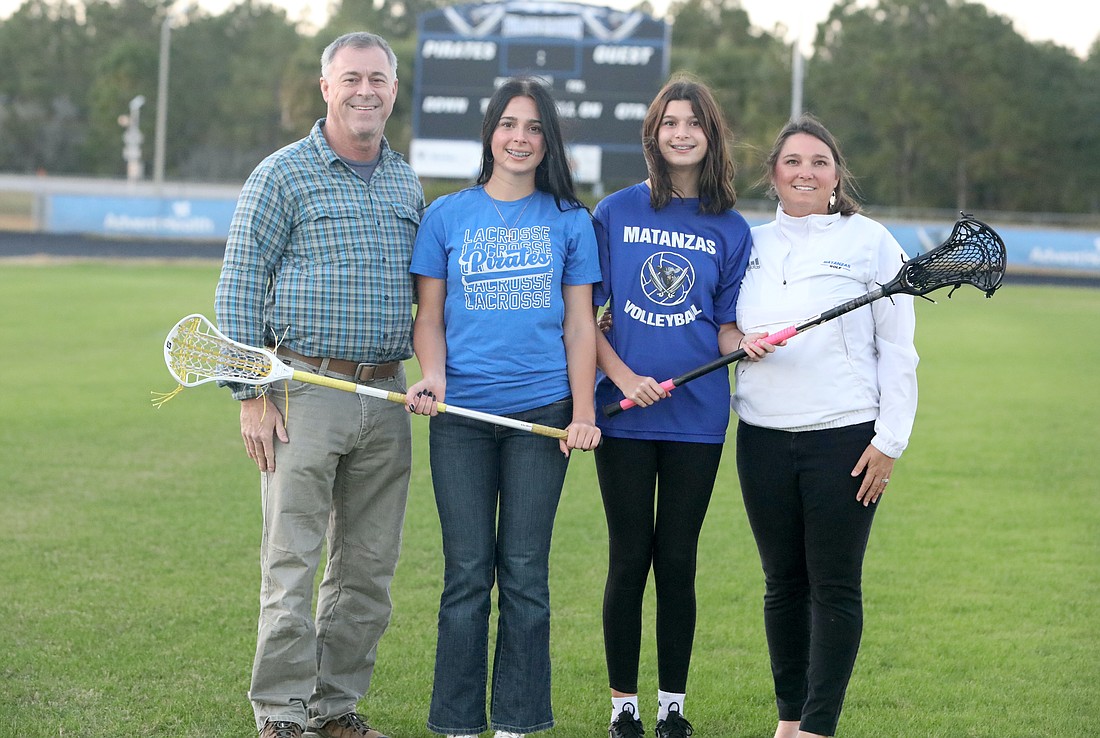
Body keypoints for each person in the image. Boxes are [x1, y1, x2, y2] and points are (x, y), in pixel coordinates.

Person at [213, 31, 423, 738]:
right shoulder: (281, 174)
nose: (366, 91)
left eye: (378, 80)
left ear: (394, 90)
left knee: (367, 572)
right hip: (303, 390)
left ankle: (334, 708)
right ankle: (280, 713)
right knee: (292, 565)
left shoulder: (405, 181)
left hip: (386, 397)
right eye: (351, 79)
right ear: (326, 87)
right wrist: (251, 394)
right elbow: (239, 289)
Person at [404, 76, 603, 738]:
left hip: (541, 418)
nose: (521, 138)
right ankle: (458, 725)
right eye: (510, 124)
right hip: (459, 419)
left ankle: (517, 723)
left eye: (535, 128)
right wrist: (433, 375)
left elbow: (581, 327)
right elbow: (428, 318)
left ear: (548, 142)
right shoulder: (446, 215)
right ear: (490, 132)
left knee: (524, 575)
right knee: (465, 576)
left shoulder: (571, 221)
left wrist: (583, 412)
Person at [591, 76, 768, 738]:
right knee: (629, 555)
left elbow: (721, 322)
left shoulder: (729, 227)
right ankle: (623, 709)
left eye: (694, 122)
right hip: (626, 415)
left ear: (710, 134)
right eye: (670, 121)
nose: (682, 132)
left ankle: (672, 709)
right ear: (654, 134)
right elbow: (587, 315)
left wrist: (741, 343)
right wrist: (623, 375)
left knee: (679, 559)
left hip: (697, 416)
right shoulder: (614, 212)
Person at [731, 114, 919, 738]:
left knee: (833, 583)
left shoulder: (871, 242)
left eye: (819, 162)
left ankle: (817, 727)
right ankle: (789, 720)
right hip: (760, 436)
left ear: (837, 175)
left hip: (843, 437)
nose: (806, 172)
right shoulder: (748, 243)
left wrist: (889, 441)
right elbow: (716, 323)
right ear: (773, 174)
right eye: (793, 162)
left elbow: (899, 350)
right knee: (782, 584)